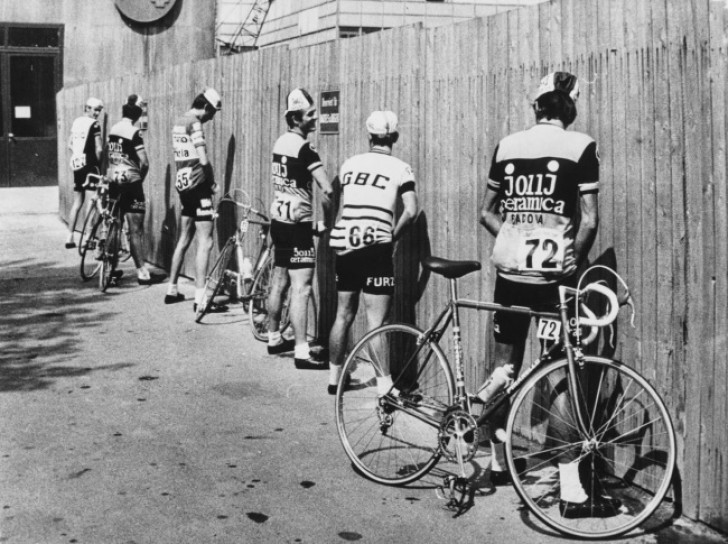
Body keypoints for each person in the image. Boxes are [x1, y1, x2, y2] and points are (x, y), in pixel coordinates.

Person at [479, 71, 612, 517]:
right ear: (569, 106)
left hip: (512, 274)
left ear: (537, 105)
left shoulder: (507, 144)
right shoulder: (582, 146)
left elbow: (486, 212)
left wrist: (514, 238)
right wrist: (571, 258)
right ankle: (572, 491)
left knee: (505, 366)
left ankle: (498, 462)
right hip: (555, 280)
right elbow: (589, 220)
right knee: (561, 373)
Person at [326, 111, 419, 395]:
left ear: (369, 136)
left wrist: (332, 223)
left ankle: (334, 380)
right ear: (395, 137)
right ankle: (384, 386)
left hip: (346, 243)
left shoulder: (350, 163)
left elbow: (329, 196)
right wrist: (393, 236)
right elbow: (412, 211)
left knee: (343, 314)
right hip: (376, 245)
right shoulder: (401, 168)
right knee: (377, 322)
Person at [266, 88, 333, 368]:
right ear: (295, 118)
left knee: (279, 281)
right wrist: (329, 221)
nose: (315, 117)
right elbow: (327, 189)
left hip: (279, 222)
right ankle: (302, 352)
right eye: (310, 114)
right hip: (298, 226)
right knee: (302, 288)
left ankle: (272, 337)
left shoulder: (280, 142)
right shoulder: (306, 148)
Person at [165, 88, 223, 311]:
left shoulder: (179, 121)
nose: (212, 118)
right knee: (205, 241)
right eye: (213, 113)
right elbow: (204, 160)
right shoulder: (195, 124)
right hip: (198, 186)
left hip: (183, 185)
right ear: (206, 107)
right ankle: (201, 299)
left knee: (185, 237)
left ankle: (171, 288)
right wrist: (212, 183)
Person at [105, 94, 161, 285]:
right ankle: (142, 273)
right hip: (130, 181)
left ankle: (109, 271)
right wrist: (140, 179)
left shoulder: (113, 129)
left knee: (115, 225)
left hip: (114, 180)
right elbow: (144, 162)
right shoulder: (134, 132)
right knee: (135, 230)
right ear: (137, 114)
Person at [65, 97, 103, 248]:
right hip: (91, 165)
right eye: (95, 110)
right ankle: (88, 238)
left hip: (77, 165)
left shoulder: (76, 122)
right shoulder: (95, 124)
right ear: (87, 108)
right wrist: (98, 163)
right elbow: (99, 148)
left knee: (78, 202)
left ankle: (69, 238)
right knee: (94, 200)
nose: (97, 113)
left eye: (99, 110)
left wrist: (77, 155)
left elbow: (69, 144)